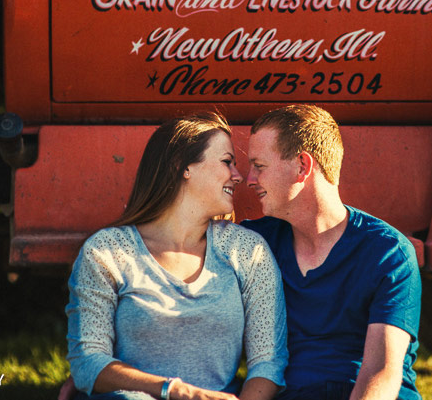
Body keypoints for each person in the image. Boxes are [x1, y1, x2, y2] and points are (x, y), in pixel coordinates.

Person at [66, 112, 288, 400]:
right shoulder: (108, 251)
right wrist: (175, 391)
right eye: (226, 162)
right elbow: (88, 362)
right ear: (181, 166)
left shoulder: (246, 251)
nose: (238, 176)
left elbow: (268, 362)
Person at [241, 105, 422, 400]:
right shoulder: (257, 243)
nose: (249, 179)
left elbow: (381, 371)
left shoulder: (387, 252)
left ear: (302, 165)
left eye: (259, 166)